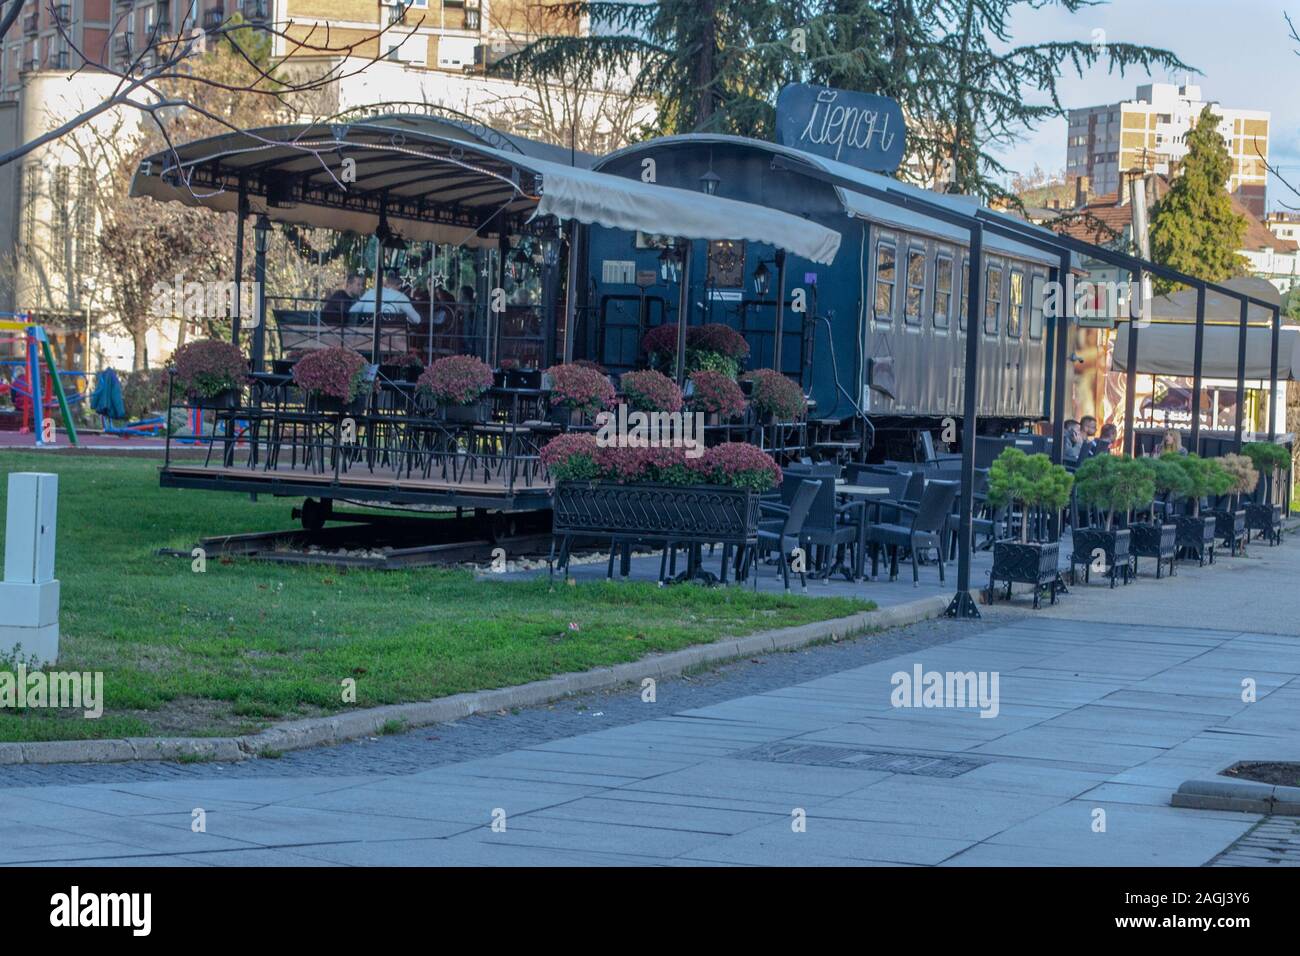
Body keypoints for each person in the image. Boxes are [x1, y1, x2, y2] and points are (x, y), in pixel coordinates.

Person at [349, 269, 422, 325]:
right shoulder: (401, 297)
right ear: (400, 285)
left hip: (367, 335)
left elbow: (352, 311)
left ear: (386, 282)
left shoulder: (370, 293)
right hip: (392, 339)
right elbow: (417, 320)